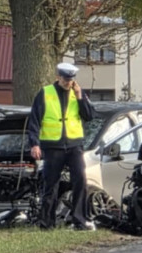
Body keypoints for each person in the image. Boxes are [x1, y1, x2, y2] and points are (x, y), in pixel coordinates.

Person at [26, 62, 97, 230]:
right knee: (51, 184)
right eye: (65, 79)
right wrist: (34, 144)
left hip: (74, 145)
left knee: (80, 180)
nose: (68, 83)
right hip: (53, 146)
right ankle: (47, 223)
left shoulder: (77, 93)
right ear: (58, 77)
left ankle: (79, 220)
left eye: (71, 79)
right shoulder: (45, 93)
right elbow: (34, 120)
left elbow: (90, 116)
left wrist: (80, 97)